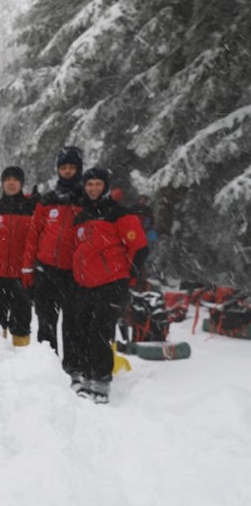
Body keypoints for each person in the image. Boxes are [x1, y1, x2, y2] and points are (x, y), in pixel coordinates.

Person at [69, 167, 148, 403]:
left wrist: (128, 277)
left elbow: (140, 246)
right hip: (85, 284)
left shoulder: (118, 213)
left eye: (98, 184)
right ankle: (85, 375)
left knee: (100, 332)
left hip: (112, 283)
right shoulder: (81, 217)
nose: (93, 188)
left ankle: (101, 382)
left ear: (105, 186)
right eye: (89, 184)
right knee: (80, 329)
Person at [23, 146, 84, 357]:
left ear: (79, 169)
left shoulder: (86, 200)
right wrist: (27, 268)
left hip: (74, 274)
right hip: (46, 270)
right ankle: (46, 368)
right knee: (46, 321)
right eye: (63, 167)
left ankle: (73, 367)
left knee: (74, 324)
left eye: (71, 167)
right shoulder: (47, 200)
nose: (67, 171)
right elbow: (33, 235)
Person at [0, 166, 35, 346]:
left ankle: (21, 356)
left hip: (22, 275)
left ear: (21, 183)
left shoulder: (32, 208)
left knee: (22, 320)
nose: (11, 183)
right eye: (7, 179)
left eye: (15, 179)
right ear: (2, 183)